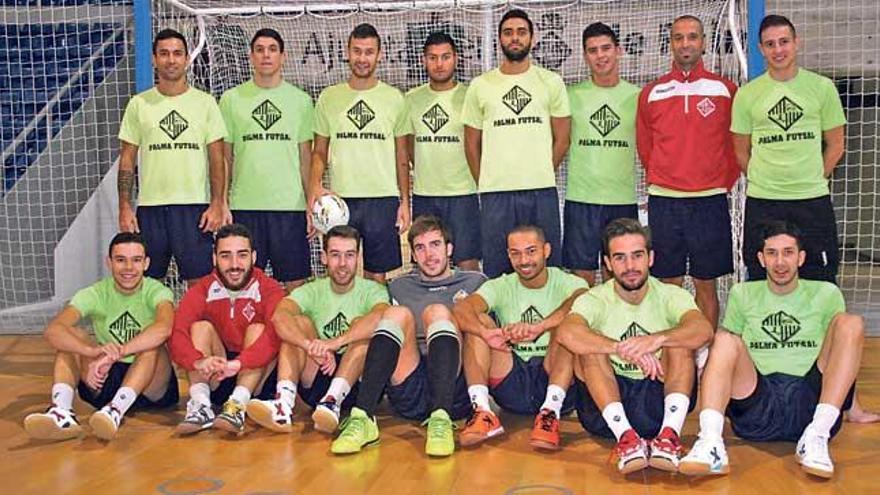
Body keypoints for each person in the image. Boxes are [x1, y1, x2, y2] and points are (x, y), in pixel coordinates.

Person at [679, 221, 864, 479]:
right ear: (761, 258)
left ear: (801, 258)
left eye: (788, 252)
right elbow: (725, 358)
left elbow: (842, 352)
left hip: (809, 402)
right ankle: (710, 443)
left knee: (851, 323)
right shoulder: (742, 294)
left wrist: (853, 407)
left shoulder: (826, 293)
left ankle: (816, 438)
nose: (780, 262)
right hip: (757, 404)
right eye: (772, 253)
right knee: (723, 339)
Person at [556, 218, 712, 474]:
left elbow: (703, 330)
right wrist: (621, 348)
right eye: (620, 258)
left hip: (659, 400)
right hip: (606, 406)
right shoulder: (595, 298)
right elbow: (566, 332)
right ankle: (626, 439)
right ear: (607, 264)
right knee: (589, 345)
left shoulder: (671, 295)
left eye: (637, 256)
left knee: (680, 340)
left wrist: (656, 339)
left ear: (650, 258)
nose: (630, 266)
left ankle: (669, 437)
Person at [329, 215, 486, 457]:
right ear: (412, 255)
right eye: (420, 248)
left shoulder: (476, 283)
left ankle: (441, 419)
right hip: (409, 385)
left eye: (435, 245)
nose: (429, 255)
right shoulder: (398, 286)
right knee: (395, 313)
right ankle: (363, 417)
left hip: (454, 389)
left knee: (437, 312)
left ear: (449, 249)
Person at [636, 15, 739, 330]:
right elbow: (645, 146)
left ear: (704, 43)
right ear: (671, 44)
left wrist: (718, 181)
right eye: (679, 38)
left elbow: (736, 145)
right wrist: (666, 175)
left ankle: (705, 355)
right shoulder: (652, 92)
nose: (686, 43)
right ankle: (673, 353)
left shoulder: (725, 90)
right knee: (668, 285)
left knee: (706, 284)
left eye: (692, 37)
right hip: (665, 201)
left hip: (709, 201)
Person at [24, 233, 177, 441]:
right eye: (121, 260)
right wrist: (92, 351)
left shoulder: (157, 291)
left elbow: (164, 328)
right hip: (105, 377)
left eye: (136, 260)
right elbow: (53, 330)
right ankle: (62, 412)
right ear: (109, 262)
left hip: (151, 385)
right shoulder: (95, 293)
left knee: (152, 347)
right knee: (72, 336)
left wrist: (118, 352)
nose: (129, 268)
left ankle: (115, 410)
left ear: (146, 263)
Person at [454, 224, 588, 451]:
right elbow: (461, 310)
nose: (524, 260)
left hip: (554, 375)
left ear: (546, 250)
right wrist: (489, 333)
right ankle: (483, 411)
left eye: (531, 251)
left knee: (568, 324)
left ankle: (550, 413)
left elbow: (582, 299)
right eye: (515, 253)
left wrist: (539, 327)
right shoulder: (499, 285)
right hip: (511, 379)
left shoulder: (569, 282)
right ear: (508, 255)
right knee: (479, 323)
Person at [247, 225, 389, 435]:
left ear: (358, 257)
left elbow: (381, 318)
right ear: (324, 257)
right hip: (318, 372)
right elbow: (280, 317)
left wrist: (333, 344)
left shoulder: (374, 290)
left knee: (365, 326)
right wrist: (312, 346)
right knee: (299, 323)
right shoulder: (311, 290)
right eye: (335, 255)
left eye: (349, 255)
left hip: (360, 384)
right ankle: (283, 405)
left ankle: (333, 401)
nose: (342, 264)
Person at [462, 9, 571, 278]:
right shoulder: (480, 85)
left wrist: (542, 170)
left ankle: (549, 320)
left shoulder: (551, 82)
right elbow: (471, 143)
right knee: (499, 267)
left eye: (521, 32)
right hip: (495, 193)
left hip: (540, 190)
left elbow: (563, 139)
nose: (515, 38)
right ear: (500, 39)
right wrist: (486, 180)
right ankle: (500, 321)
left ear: (532, 39)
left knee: (546, 266)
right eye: (508, 32)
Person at [117, 28, 230, 285]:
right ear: (154, 60)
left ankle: (196, 328)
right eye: (164, 54)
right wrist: (124, 206)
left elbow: (217, 158)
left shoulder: (206, 103)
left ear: (187, 59)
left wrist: (217, 203)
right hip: (150, 209)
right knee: (147, 285)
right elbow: (127, 159)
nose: (171, 60)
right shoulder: (138, 104)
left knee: (200, 285)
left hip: (194, 209)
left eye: (177, 53)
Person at [309, 23, 409, 284]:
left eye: (368, 52)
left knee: (377, 275)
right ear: (347, 52)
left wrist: (404, 201)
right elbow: (318, 151)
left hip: (382, 198)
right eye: (357, 51)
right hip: (340, 201)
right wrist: (314, 189)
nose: (362, 58)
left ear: (380, 55)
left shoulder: (394, 98)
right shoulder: (329, 97)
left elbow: (401, 155)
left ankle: (375, 324)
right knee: (340, 271)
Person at [219, 28, 314, 291]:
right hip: (245, 206)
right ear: (251, 56)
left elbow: (306, 157)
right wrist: (223, 201)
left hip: (290, 207)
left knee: (296, 284)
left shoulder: (302, 101)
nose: (266, 55)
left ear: (283, 56)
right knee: (244, 284)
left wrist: (310, 204)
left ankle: (293, 333)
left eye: (272, 49)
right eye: (259, 50)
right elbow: (225, 156)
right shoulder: (231, 100)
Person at [169, 223, 285, 436]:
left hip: (256, 379)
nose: (234, 265)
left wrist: (239, 363)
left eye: (242, 255)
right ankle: (201, 405)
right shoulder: (203, 289)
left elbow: (274, 337)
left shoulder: (269, 289)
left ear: (254, 257)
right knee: (199, 328)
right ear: (214, 258)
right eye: (225, 256)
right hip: (217, 375)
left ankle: (237, 406)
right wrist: (198, 360)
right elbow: (178, 333)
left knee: (260, 329)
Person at [564, 22, 640, 286]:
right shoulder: (570, 96)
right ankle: (583, 329)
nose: (601, 55)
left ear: (618, 51)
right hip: (581, 199)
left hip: (622, 200)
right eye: (593, 50)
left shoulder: (638, 97)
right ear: (585, 56)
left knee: (619, 277)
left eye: (606, 48)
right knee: (581, 280)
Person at [403, 32, 480, 271]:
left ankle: (469, 308)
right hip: (425, 193)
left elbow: (478, 144)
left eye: (445, 57)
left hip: (463, 194)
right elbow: (407, 146)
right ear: (423, 60)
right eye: (433, 57)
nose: (439, 64)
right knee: (426, 262)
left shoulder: (471, 95)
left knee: (467, 261)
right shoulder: (410, 99)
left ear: (456, 58)